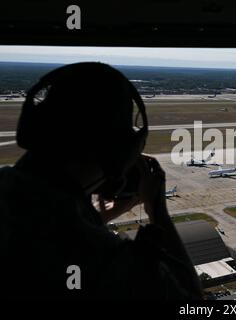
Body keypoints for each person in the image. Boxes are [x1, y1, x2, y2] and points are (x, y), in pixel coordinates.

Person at [0, 62, 203, 299]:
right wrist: (158, 213)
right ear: (120, 153)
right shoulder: (103, 258)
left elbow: (37, 222)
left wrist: (92, 218)